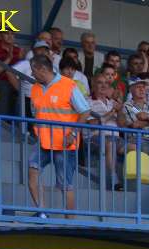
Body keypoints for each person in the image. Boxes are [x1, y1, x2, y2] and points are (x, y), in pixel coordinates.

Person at [27, 54, 89, 217]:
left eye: (33, 71)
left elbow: (85, 111)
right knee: (32, 174)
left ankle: (70, 220)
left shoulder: (68, 85)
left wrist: (74, 133)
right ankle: (42, 212)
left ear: (42, 69)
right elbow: (36, 113)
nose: (32, 74)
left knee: (64, 184)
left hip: (65, 144)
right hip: (43, 141)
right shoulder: (35, 88)